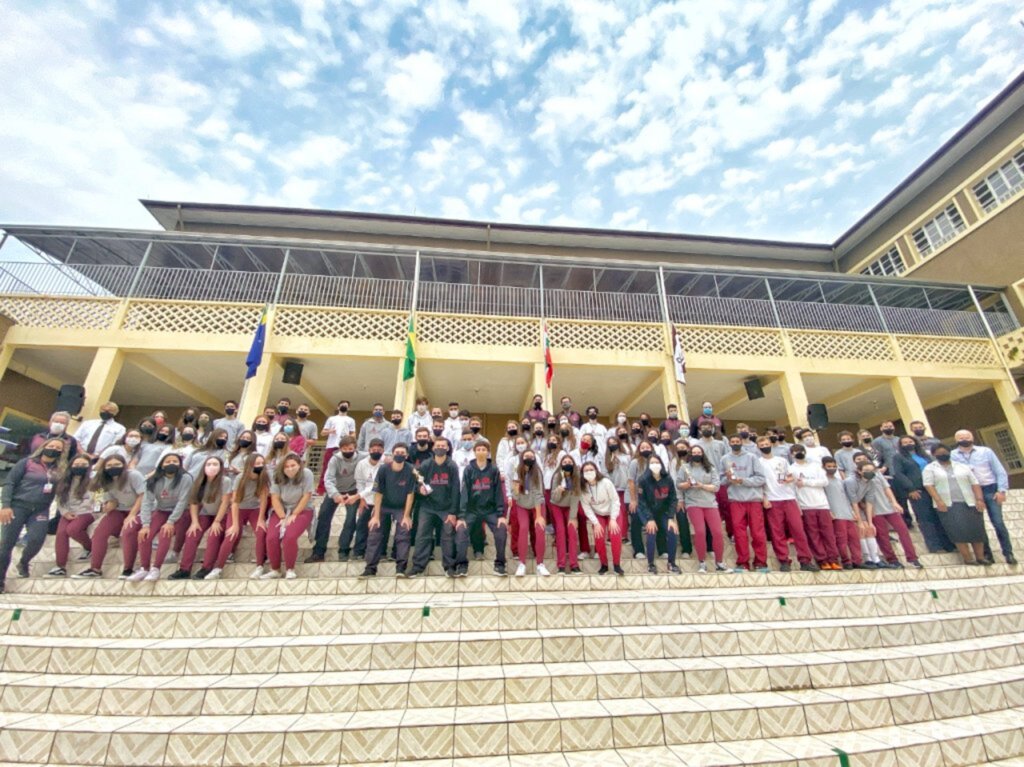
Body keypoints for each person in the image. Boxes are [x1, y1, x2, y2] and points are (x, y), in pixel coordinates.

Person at [0, 438, 66, 591]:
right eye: (51, 446)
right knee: (6, 545)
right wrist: (6, 506)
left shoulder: (60, 469)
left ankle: (23, 561)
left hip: (40, 509)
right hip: (17, 507)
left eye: (58, 448)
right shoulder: (27, 462)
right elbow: (10, 483)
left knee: (37, 539)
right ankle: (1, 580)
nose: (54, 449)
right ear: (44, 447)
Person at [951, 429, 1017, 565]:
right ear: (956, 440)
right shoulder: (953, 455)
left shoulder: (985, 451)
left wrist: (1002, 490)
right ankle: (987, 555)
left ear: (972, 437)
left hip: (990, 489)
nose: (965, 439)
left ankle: (1008, 553)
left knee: (998, 523)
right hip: (970, 492)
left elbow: (999, 471)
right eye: (961, 437)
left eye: (967, 436)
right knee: (978, 525)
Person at [73, 455, 145, 578]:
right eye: (109, 465)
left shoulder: (134, 475)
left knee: (129, 531)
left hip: (139, 509)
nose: (113, 468)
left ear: (124, 465)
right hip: (119, 509)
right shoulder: (104, 479)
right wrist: (107, 506)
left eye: (117, 465)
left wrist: (132, 514)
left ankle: (128, 569)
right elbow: (106, 500)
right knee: (99, 533)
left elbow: (142, 495)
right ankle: (94, 569)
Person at [125, 453, 194, 582]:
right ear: (161, 465)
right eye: (168, 462)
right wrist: (145, 524)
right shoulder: (152, 480)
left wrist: (170, 522)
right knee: (145, 534)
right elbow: (146, 502)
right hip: (161, 511)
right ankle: (144, 569)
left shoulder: (186, 478)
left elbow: (182, 501)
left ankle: (156, 569)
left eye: (175, 461)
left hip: (180, 512)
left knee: (165, 533)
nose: (171, 464)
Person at [847, 454, 921, 569]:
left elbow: (886, 488)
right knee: (882, 536)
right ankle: (892, 559)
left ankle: (912, 558)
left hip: (888, 507)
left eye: (864, 458)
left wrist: (894, 502)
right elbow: (858, 498)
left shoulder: (876, 474)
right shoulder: (853, 478)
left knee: (903, 531)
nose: (862, 460)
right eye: (858, 459)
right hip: (874, 511)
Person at [757, 437, 818, 572]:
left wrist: (788, 480)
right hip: (772, 499)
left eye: (767, 444)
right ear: (758, 447)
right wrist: (764, 498)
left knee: (798, 530)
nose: (765, 446)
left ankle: (805, 560)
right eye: (762, 445)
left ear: (771, 445)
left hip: (789, 498)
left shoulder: (782, 460)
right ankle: (784, 560)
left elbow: (791, 477)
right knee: (777, 532)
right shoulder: (758, 462)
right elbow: (759, 482)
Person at [923, 445, 990, 566]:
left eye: (944, 451)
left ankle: (980, 557)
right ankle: (968, 559)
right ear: (934, 455)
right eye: (939, 452)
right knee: (957, 532)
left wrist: (979, 499)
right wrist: (939, 501)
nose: (942, 453)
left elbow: (974, 483)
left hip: (969, 502)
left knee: (977, 530)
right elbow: (929, 485)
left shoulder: (962, 466)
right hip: (947, 504)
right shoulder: (930, 468)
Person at [166, 456, 231, 580]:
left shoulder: (225, 481)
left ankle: (207, 568)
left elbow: (225, 502)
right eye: (209, 464)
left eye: (215, 464)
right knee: (192, 535)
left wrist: (217, 521)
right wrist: (194, 522)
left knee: (214, 535)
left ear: (221, 467)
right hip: (205, 513)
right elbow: (194, 503)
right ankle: (184, 569)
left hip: (222, 515)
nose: (212, 467)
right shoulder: (199, 481)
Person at [890, 435, 955, 553]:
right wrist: (910, 489)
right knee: (926, 518)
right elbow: (899, 474)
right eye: (904, 443)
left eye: (910, 441)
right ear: (900, 445)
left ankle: (949, 544)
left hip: (933, 489)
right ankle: (935, 546)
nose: (908, 444)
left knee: (940, 516)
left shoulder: (925, 455)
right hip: (917, 491)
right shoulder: (898, 457)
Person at [407, 436, 461, 577]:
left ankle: (449, 567)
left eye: (444, 446)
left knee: (448, 535)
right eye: (438, 445)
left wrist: (453, 512)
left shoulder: (452, 466)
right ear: (433, 448)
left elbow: (456, 489)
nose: (441, 448)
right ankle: (418, 567)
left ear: (448, 448)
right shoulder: (425, 465)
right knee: (422, 535)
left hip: (446, 508)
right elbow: (417, 483)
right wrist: (420, 490)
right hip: (427, 507)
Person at [360, 444, 416, 578]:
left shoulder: (410, 470)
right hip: (384, 505)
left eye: (402, 453)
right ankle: (370, 568)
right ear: (392, 454)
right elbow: (378, 493)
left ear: (406, 456)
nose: (399, 455)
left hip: (401, 507)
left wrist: (407, 515)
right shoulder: (384, 469)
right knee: (375, 531)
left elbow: (410, 494)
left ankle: (401, 567)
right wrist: (376, 515)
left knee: (404, 530)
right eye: (397, 452)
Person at [455, 438, 508, 576]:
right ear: (474, 452)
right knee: (461, 530)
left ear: (488, 452)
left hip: (489, 510)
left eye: (483, 449)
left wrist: (501, 515)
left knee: (501, 529)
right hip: (472, 510)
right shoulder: (468, 469)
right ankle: (461, 565)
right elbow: (464, 492)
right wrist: (461, 516)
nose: (481, 452)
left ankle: (500, 564)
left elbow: (498, 493)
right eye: (478, 449)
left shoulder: (494, 469)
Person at [257, 454, 315, 579]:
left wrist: (294, 514)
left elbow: (307, 495)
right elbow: (275, 498)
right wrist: (283, 517)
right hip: (281, 510)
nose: (290, 469)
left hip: (302, 509)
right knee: (271, 537)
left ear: (299, 465)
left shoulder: (307, 474)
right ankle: (275, 569)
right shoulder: (276, 475)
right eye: (286, 466)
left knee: (289, 536)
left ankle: (290, 569)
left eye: (293, 465)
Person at [306, 436, 363, 563]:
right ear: (340, 448)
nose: (347, 451)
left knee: (350, 519)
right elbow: (328, 479)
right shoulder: (334, 459)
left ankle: (343, 550)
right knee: (324, 517)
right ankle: (318, 551)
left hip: (353, 491)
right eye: (344, 448)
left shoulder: (362, 457)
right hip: (335, 491)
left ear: (355, 448)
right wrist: (335, 494)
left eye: (350, 448)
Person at [721, 433, 768, 571]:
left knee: (758, 533)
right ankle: (743, 562)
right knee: (739, 533)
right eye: (732, 441)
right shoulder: (724, 459)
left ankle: (760, 562)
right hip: (736, 500)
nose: (735, 443)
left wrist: (742, 480)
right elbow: (721, 481)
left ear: (741, 442)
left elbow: (761, 478)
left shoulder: (752, 457)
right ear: (729, 443)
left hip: (753, 499)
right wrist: (729, 479)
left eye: (737, 441)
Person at [789, 443, 839, 571]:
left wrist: (806, 482)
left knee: (828, 534)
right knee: (813, 535)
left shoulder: (816, 466)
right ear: (791, 454)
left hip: (822, 504)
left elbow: (824, 481)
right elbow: (792, 488)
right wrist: (797, 506)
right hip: (806, 506)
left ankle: (833, 559)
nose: (798, 453)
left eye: (801, 450)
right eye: (795, 452)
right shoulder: (791, 469)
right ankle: (822, 560)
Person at [678, 445, 726, 573]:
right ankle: (702, 562)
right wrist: (687, 484)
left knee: (717, 533)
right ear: (690, 454)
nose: (696, 454)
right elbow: (678, 485)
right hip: (693, 503)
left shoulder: (710, 468)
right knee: (700, 532)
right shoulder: (685, 468)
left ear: (703, 454)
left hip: (710, 504)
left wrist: (702, 486)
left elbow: (716, 487)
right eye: (694, 452)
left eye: (699, 452)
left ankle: (720, 562)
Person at [49, 454, 95, 576]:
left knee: (73, 529)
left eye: (83, 465)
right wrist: (65, 512)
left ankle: (90, 547)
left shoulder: (92, 480)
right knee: (61, 533)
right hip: (68, 512)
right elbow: (59, 499)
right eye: (76, 465)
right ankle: (60, 566)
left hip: (86, 511)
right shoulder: (64, 481)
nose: (79, 467)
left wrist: (77, 512)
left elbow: (91, 499)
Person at [636, 455, 680, 574]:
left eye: (657, 462)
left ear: (661, 464)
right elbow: (641, 502)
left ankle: (671, 563)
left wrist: (671, 518)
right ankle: (650, 564)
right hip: (647, 512)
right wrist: (649, 519)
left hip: (663, 512)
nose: (655, 465)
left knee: (672, 531)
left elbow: (673, 499)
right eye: (652, 463)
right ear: (648, 466)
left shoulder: (668, 479)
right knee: (651, 532)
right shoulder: (643, 480)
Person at [579, 461, 622, 575]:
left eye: (591, 469)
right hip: (598, 514)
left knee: (615, 535)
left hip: (612, 512)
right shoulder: (583, 488)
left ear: (596, 471)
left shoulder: (606, 482)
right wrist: (596, 523)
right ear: (582, 473)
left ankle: (617, 565)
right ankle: (604, 564)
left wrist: (613, 519)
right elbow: (586, 507)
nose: (589, 472)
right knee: (599, 536)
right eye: (586, 470)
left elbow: (615, 500)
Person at [821, 457, 865, 569]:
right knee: (842, 539)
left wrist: (852, 511)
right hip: (836, 514)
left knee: (854, 539)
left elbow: (846, 497)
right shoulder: (823, 481)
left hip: (847, 514)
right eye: (829, 467)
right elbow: (824, 498)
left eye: (834, 466)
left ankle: (857, 561)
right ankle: (846, 561)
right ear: (823, 467)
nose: (832, 468)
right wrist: (829, 511)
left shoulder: (840, 481)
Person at [344, 438, 384, 561]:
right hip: (366, 500)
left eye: (378, 450)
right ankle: (358, 552)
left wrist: (357, 496)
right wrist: (362, 499)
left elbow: (377, 485)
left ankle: (380, 553)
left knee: (381, 527)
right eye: (373, 450)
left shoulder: (385, 464)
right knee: (362, 525)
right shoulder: (362, 464)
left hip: (381, 500)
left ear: (382, 450)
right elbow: (360, 482)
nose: (376, 451)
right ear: (369, 450)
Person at [508, 447, 546, 576]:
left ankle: (540, 564)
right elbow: (514, 494)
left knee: (539, 528)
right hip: (521, 504)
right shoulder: (517, 471)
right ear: (521, 458)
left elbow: (538, 493)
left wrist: (539, 515)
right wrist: (517, 489)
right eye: (526, 456)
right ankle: (522, 563)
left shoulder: (538, 472)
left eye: (531, 456)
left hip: (537, 504)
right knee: (523, 528)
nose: (528, 458)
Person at [550, 454, 582, 574]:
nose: (567, 464)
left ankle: (574, 564)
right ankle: (561, 565)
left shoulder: (576, 477)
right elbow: (554, 498)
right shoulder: (557, 476)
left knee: (572, 531)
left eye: (569, 462)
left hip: (570, 507)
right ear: (561, 465)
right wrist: (559, 490)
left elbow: (576, 497)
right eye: (564, 462)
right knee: (561, 532)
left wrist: (573, 517)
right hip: (557, 506)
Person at [320, 400, 356, 493]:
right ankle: (322, 488)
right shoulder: (331, 419)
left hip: (345, 447)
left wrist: (350, 439)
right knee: (326, 467)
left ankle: (342, 488)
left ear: (349, 408)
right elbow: (323, 432)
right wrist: (330, 431)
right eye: (342, 405)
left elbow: (353, 433)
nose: (344, 406)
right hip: (332, 445)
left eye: (346, 405)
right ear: (338, 407)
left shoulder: (350, 420)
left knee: (344, 468)